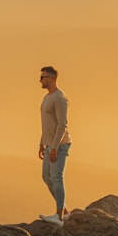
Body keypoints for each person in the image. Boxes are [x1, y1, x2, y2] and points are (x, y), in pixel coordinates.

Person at [37, 66, 72, 226]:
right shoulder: (46, 98)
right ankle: (64, 212)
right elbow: (47, 124)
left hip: (60, 145)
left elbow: (62, 124)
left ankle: (59, 217)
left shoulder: (60, 98)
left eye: (43, 77)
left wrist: (55, 147)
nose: (40, 80)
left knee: (57, 178)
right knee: (46, 177)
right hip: (49, 144)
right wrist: (42, 144)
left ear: (50, 78)